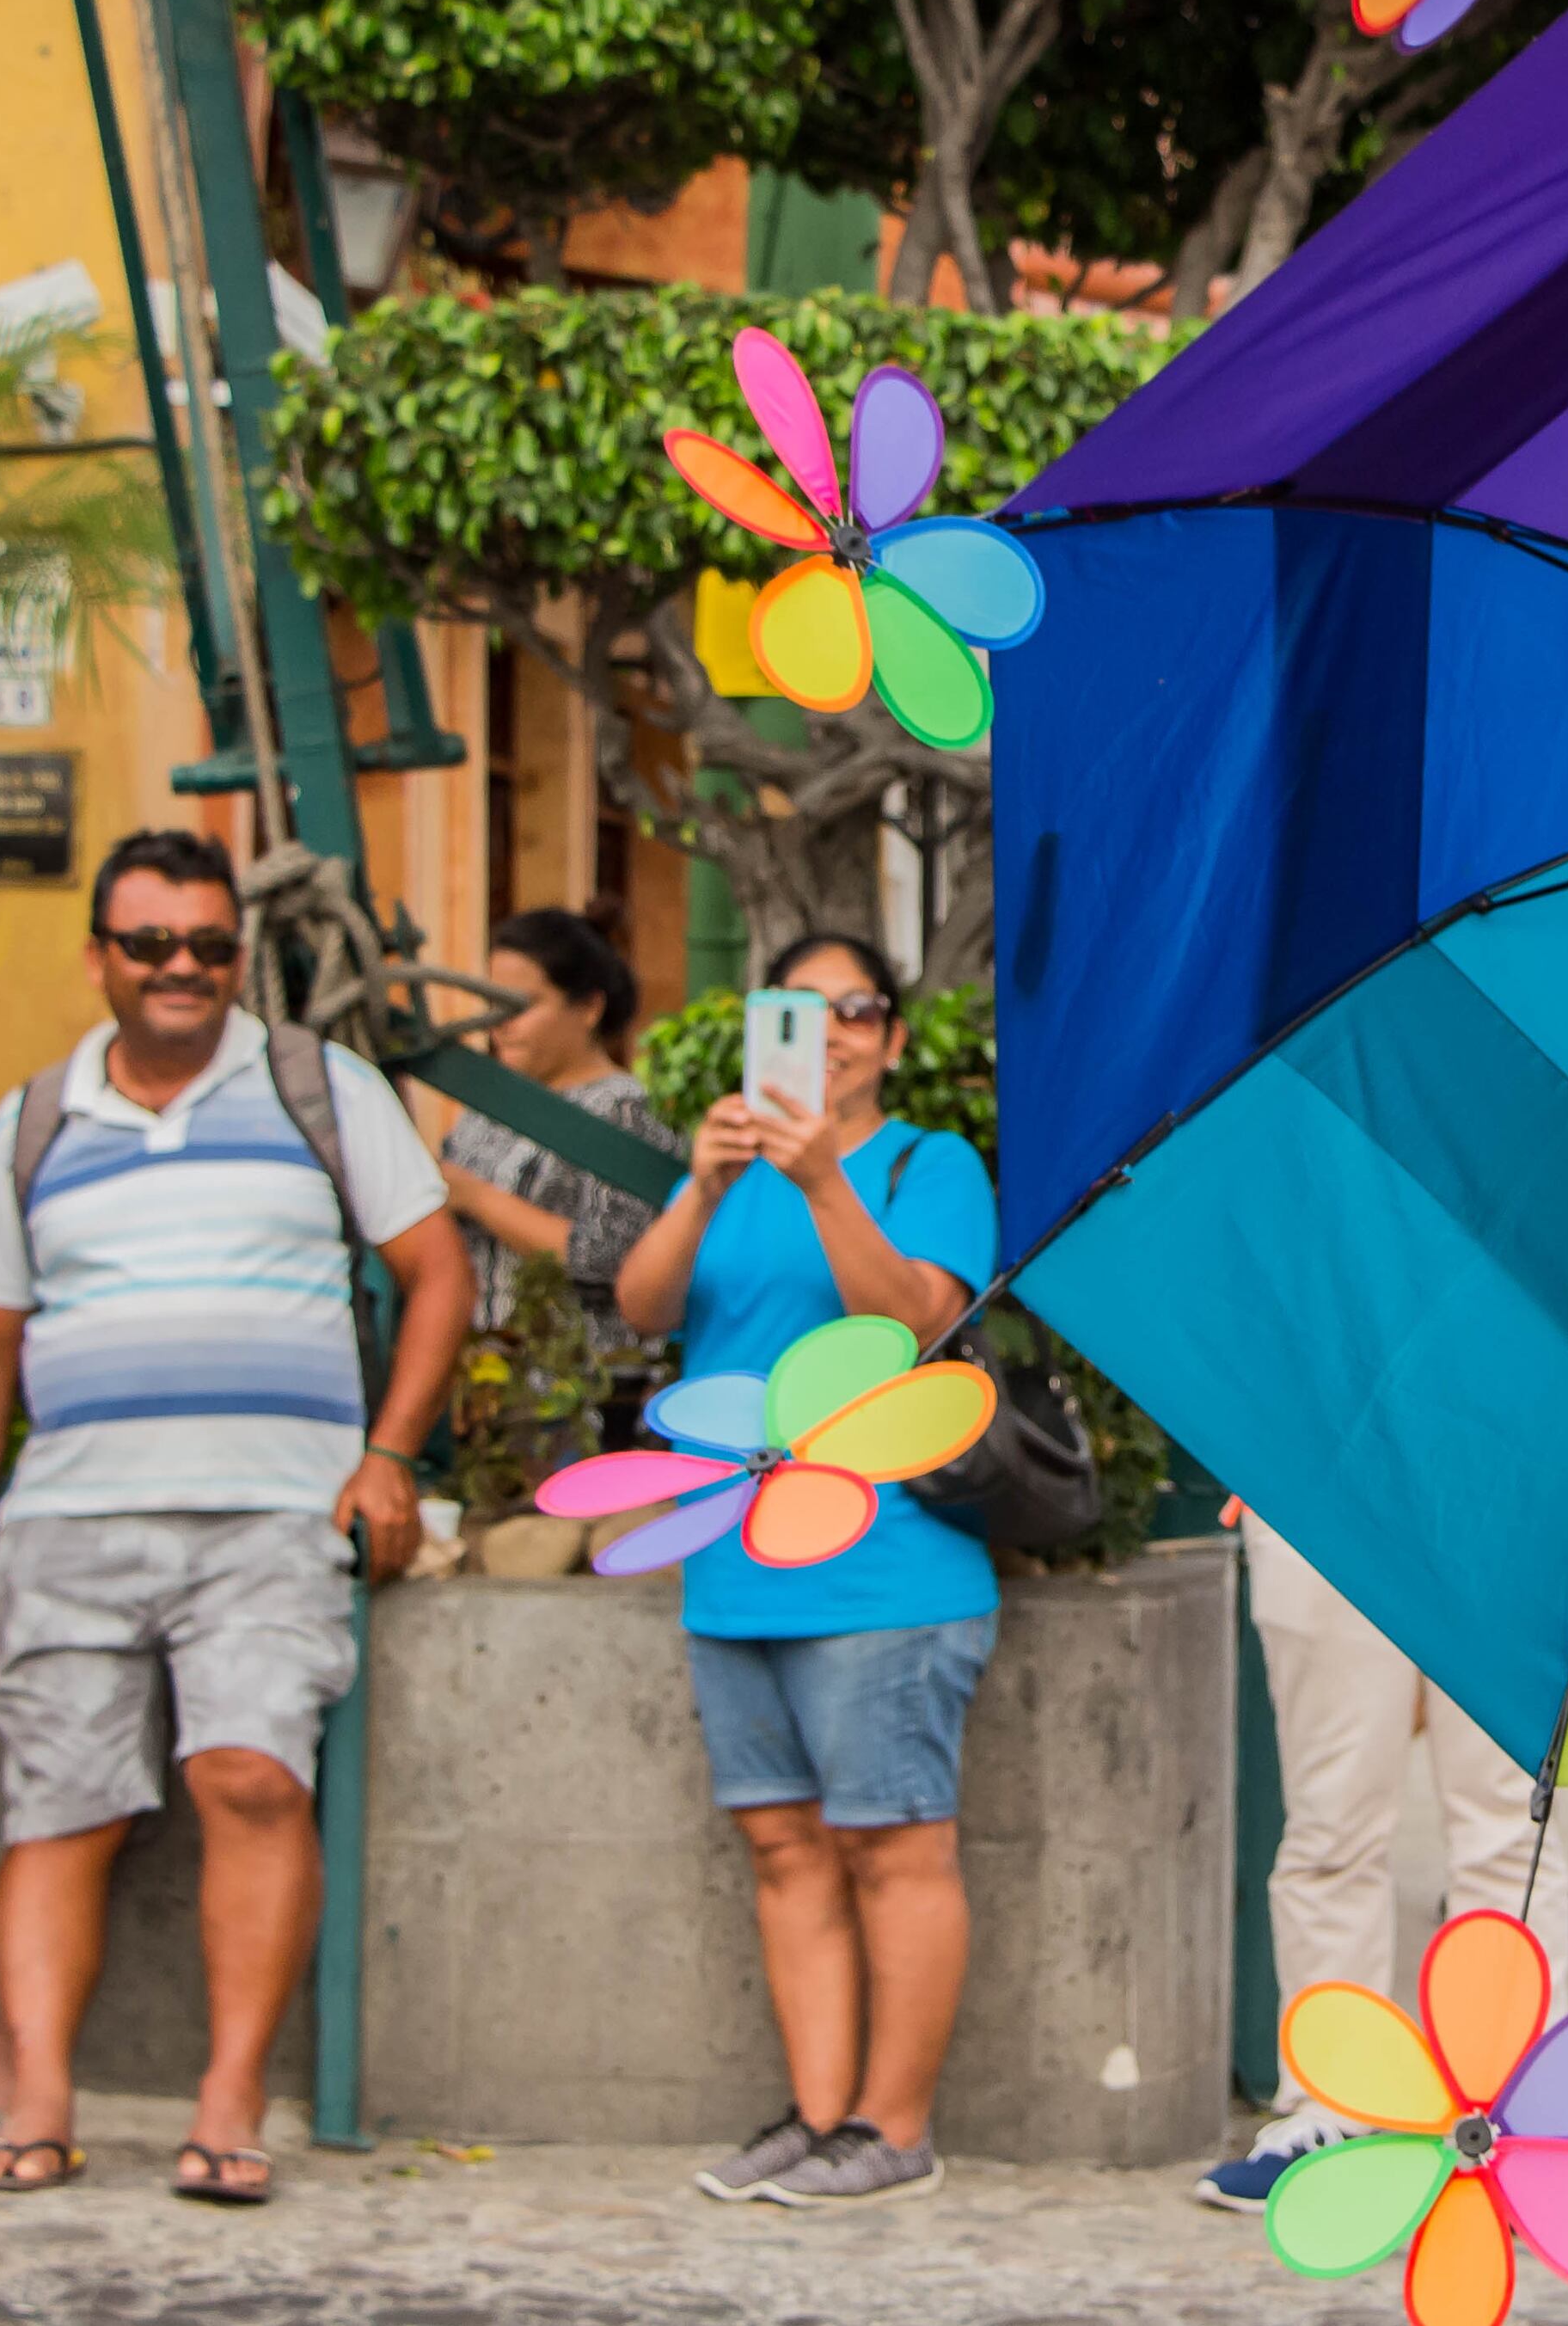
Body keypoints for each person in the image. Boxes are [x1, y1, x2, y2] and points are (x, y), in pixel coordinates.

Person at [0, 829, 470, 2201]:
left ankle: (230, 2098)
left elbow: (435, 1272)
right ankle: (39, 2096)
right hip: (67, 1520)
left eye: (210, 946)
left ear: (241, 951)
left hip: (269, 1518)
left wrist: (388, 1453)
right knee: (58, 1810)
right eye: (151, 944)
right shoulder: (30, 1121)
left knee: (251, 1777)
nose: (182, 969)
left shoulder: (319, 1088)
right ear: (101, 956)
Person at [616, 933, 996, 2211]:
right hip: (732, 1556)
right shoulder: (731, 1170)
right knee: (783, 1842)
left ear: (891, 1038)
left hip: (885, 1566)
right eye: (801, 1009)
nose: (829, 1031)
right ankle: (824, 2116)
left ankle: (897, 2127)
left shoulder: (925, 1163)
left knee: (894, 1844)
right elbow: (643, 1307)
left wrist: (827, 1179)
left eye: (855, 1010)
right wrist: (700, 1187)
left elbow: (918, 1324)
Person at [1193, 1496, 1568, 2214]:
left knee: (1504, 1827)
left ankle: (1516, 2118)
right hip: (1322, 1490)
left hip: (1500, 1493)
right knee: (1333, 1826)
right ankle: (1331, 2106)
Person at [433, 906, 679, 1364]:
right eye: (493, 1004)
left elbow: (612, 1258)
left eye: (521, 1006)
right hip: (476, 1382)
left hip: (578, 1386)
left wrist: (476, 1198)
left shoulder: (627, 1111)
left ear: (588, 1007)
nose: (500, 1023)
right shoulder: (484, 1106)